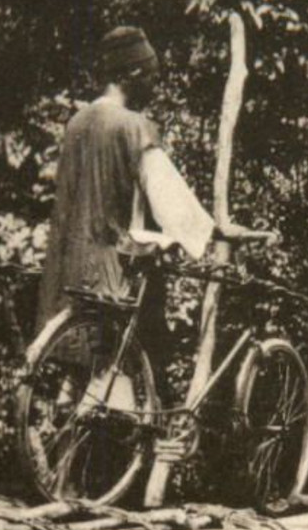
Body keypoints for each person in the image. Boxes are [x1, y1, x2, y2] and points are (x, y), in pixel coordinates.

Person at [34, 25, 219, 383]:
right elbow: (169, 197)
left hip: (69, 269)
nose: (154, 86)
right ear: (132, 74)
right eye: (151, 76)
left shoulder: (77, 123)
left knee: (83, 385)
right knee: (119, 381)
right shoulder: (133, 126)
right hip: (113, 271)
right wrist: (210, 232)